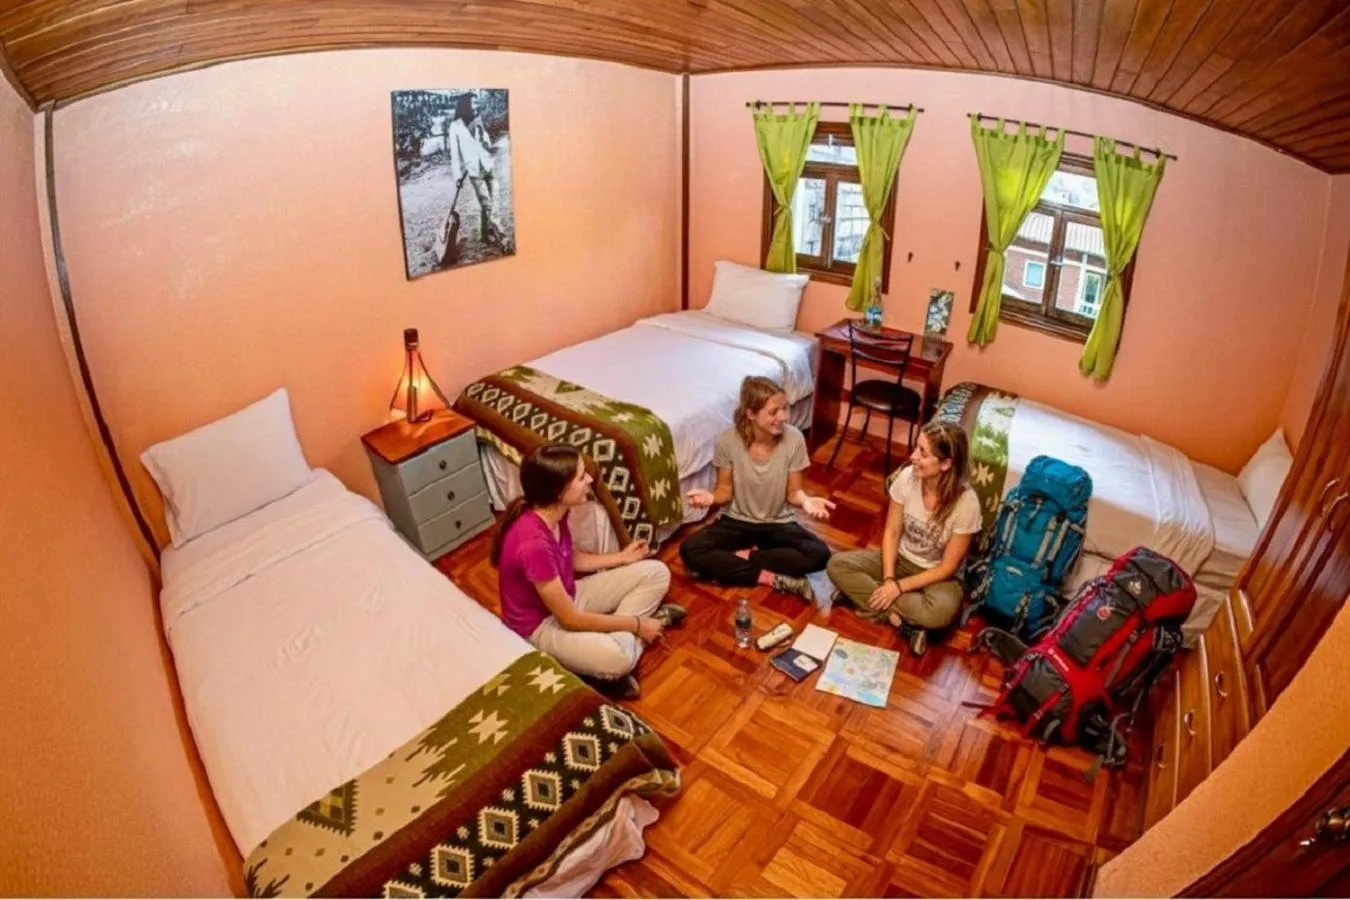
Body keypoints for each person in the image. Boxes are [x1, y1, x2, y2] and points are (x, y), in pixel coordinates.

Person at [492, 443, 684, 699]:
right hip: (540, 626)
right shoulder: (532, 542)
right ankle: (631, 641)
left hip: (568, 594)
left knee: (657, 572)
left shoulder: (554, 513)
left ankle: (609, 648)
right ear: (559, 491)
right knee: (619, 658)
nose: (590, 480)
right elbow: (569, 619)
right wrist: (637, 624)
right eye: (582, 477)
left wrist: (621, 558)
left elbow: (567, 558)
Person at [826, 421, 980, 656]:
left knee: (940, 612)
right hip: (901, 561)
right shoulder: (907, 478)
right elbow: (892, 533)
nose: (912, 456)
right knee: (836, 565)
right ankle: (899, 621)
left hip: (938, 575)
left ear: (946, 464)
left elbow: (948, 567)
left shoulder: (967, 503)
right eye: (916, 447)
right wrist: (889, 579)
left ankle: (863, 597)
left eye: (923, 453)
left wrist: (898, 588)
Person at [679, 376, 835, 601]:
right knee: (690, 549)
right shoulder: (727, 440)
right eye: (773, 412)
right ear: (751, 413)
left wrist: (806, 501)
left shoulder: (794, 439)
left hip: (777, 523)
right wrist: (711, 498)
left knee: (819, 554)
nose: (783, 417)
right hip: (736, 522)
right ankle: (772, 578)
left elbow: (793, 492)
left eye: (784, 408)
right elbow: (725, 491)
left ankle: (736, 559)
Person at [441, 91, 510, 254]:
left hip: (487, 165)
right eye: (473, 103)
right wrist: (457, 176)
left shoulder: (477, 119)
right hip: (474, 171)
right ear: (465, 105)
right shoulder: (455, 127)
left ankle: (486, 234)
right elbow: (455, 154)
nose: (476, 106)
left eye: (476, 103)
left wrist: (485, 139)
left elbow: (484, 139)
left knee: (493, 202)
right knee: (487, 203)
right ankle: (503, 238)